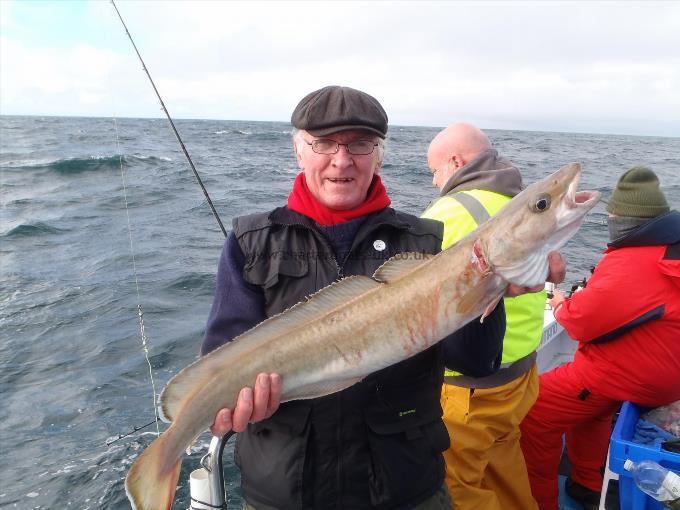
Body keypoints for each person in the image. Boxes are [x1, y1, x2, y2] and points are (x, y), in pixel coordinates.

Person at [201, 86, 510, 510]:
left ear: (378, 154)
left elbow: (475, 361)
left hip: (404, 490)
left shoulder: (423, 242)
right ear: (299, 151)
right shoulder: (250, 243)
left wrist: (490, 284)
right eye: (324, 143)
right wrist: (230, 407)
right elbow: (221, 356)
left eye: (359, 145)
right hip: (285, 493)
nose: (341, 161)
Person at [519, 166, 680, 510]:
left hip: (629, 374)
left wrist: (563, 304)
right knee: (590, 409)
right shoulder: (669, 247)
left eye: (612, 215)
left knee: (536, 407)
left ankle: (540, 502)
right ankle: (588, 484)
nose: (609, 219)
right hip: (661, 370)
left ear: (627, 219)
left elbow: (579, 323)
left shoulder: (632, 261)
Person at [421, 123, 554, 510]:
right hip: (520, 374)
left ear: (455, 161)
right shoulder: (517, 201)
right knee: (504, 467)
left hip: (470, 387)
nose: (434, 183)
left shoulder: (449, 212)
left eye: (434, 171)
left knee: (454, 485)